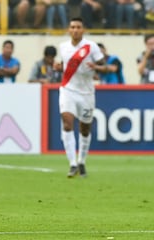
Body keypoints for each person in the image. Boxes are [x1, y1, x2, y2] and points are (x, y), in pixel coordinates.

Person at [58, 17, 104, 178]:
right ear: (69, 30)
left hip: (86, 93)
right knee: (67, 121)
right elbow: (64, 65)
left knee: (85, 128)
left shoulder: (91, 47)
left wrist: (97, 67)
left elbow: (103, 65)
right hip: (67, 90)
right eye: (73, 27)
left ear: (82, 30)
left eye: (78, 27)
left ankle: (82, 160)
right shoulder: (63, 47)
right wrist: (59, 67)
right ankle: (72, 163)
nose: (75, 30)